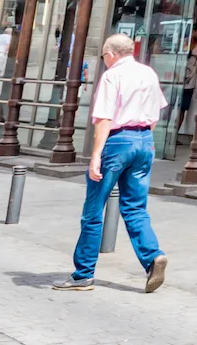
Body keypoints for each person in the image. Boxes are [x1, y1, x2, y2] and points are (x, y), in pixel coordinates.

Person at [53, 34, 169, 293]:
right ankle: (153, 256)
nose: (104, 61)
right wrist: (143, 139)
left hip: (117, 142)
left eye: (104, 56)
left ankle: (83, 273)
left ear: (112, 54)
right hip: (144, 140)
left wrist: (96, 156)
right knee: (136, 207)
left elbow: (104, 119)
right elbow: (156, 114)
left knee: (94, 208)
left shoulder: (112, 76)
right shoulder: (148, 73)